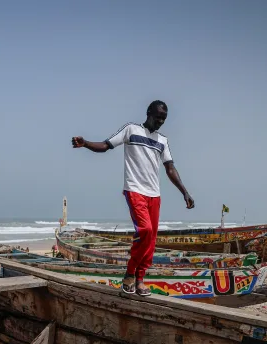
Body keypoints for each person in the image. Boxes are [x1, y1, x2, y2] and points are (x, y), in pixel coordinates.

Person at [71, 100, 194, 296]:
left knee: (151, 238)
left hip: (154, 194)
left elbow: (170, 168)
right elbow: (106, 145)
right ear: (148, 113)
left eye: (164, 119)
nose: (161, 121)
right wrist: (85, 143)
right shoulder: (131, 130)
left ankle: (140, 279)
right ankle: (129, 273)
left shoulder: (162, 141)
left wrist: (184, 191)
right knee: (144, 230)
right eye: (158, 117)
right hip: (135, 190)